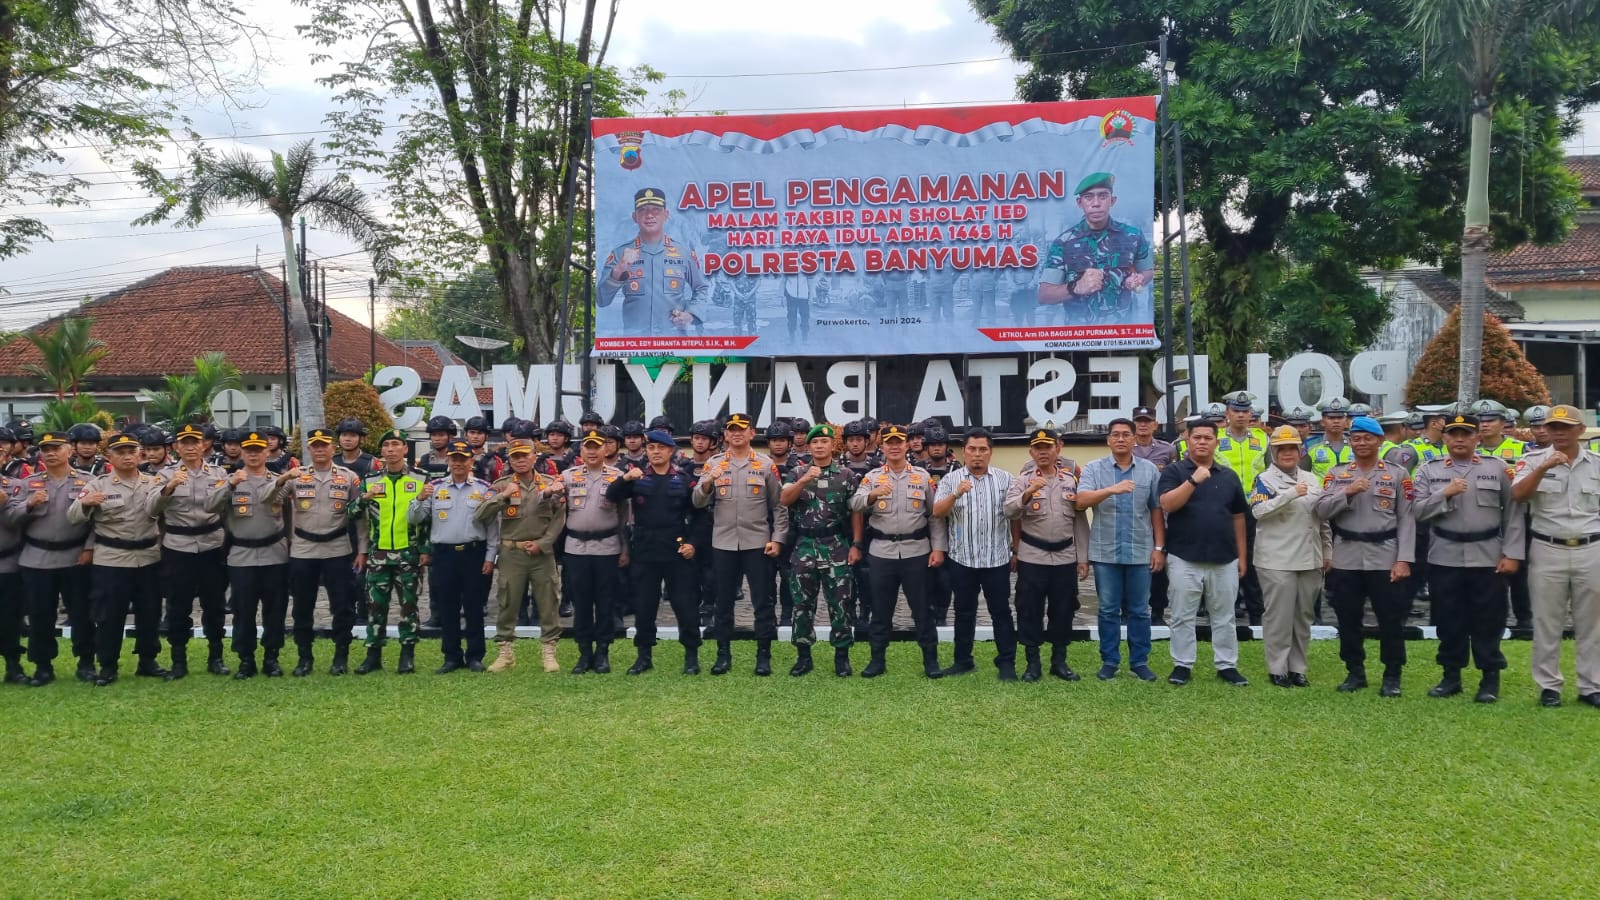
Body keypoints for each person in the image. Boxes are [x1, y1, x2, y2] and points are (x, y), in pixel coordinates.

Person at [1413, 414, 1522, 703]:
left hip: (1488, 555)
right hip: (1444, 555)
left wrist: (1512, 553)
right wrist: (1445, 494)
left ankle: (1489, 678)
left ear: (1477, 438)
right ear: (1445, 437)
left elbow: (1513, 514)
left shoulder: (1497, 468)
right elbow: (1418, 511)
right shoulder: (1428, 470)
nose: (1459, 439)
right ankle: (1451, 677)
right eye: (1453, 434)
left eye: (1466, 433)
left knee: (1489, 619)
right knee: (1449, 619)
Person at [1314, 415, 1415, 696]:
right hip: (1346, 554)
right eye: (1356, 438)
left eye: (1367, 437)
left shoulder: (1397, 474)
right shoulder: (1337, 474)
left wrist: (1404, 559)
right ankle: (1355, 671)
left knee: (1391, 618)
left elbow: (1407, 519)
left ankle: (1392, 675)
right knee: (1347, 617)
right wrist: (1346, 491)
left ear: (1380, 440)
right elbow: (1320, 511)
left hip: (1385, 554)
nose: (1361, 443)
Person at [1510, 404, 1600, 709]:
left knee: (1593, 623)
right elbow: (1518, 495)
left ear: (1579, 430)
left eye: (1565, 427)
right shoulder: (1533, 459)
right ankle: (1549, 686)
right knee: (1547, 621)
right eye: (1553, 428)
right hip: (1548, 547)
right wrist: (1542, 468)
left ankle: (1591, 686)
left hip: (1591, 547)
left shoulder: (1597, 463)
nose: (1558, 433)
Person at [65, 431, 166, 685]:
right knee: (109, 616)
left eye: (131, 451)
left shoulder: (153, 483)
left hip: (148, 557)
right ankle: (108, 666)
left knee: (150, 612)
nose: (127, 456)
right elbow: (73, 517)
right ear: (109, 456)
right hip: (112, 559)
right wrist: (86, 503)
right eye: (120, 452)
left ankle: (148, 661)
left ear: (139, 454)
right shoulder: (98, 484)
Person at [1157, 419, 1250, 687]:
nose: (1201, 442)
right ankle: (1182, 664)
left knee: (1224, 616)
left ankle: (1226, 665)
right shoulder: (1175, 472)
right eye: (1196, 437)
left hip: (1225, 558)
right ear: (1187, 439)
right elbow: (1168, 504)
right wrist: (1193, 480)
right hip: (1184, 556)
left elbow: (1238, 518)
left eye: (1207, 438)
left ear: (1216, 442)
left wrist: (1242, 557)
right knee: (1182, 615)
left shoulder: (1229, 475)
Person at [851, 424, 947, 679]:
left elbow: (935, 516)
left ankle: (930, 660)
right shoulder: (872, 477)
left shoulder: (923, 477)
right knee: (880, 610)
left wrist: (938, 548)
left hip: (916, 551)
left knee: (923, 610)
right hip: (882, 552)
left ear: (907, 446)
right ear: (881, 447)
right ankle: (877, 660)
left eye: (899, 442)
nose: (894, 446)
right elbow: (855, 504)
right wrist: (872, 496)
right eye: (889, 442)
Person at [693, 413, 782, 675]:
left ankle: (763, 656)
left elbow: (779, 506)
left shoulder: (765, 465)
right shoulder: (714, 463)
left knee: (762, 602)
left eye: (741, 429)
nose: (736, 434)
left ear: (752, 433)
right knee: (723, 602)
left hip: (757, 543)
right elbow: (697, 501)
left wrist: (777, 539)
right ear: (725, 435)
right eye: (731, 430)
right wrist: (708, 482)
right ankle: (723, 655)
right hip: (724, 543)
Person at [1077, 417, 1166, 682]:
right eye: (1115, 434)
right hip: (1106, 551)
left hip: (1140, 549)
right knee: (1107, 609)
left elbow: (1156, 510)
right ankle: (1110, 661)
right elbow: (1080, 501)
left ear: (1133, 438)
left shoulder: (1149, 470)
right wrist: (1112, 489)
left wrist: (1159, 547)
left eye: (1126, 434)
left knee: (1140, 609)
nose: (1120, 439)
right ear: (1108, 440)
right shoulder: (1094, 469)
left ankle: (1139, 661)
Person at [608, 429, 703, 674]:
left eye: (661, 448)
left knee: (685, 605)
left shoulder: (683, 479)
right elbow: (611, 496)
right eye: (651, 448)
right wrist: (626, 479)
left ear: (671, 451)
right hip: (645, 550)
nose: (656, 452)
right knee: (644, 606)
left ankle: (691, 657)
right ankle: (644, 657)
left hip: (676, 550)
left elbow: (700, 515)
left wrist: (693, 543)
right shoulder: (638, 477)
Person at [206, 430, 294, 678]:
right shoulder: (231, 479)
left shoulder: (282, 480)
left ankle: (271, 658)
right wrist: (230, 485)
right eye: (248, 451)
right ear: (241, 453)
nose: (253, 455)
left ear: (268, 451)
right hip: (241, 555)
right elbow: (210, 506)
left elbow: (290, 517)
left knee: (275, 610)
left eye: (258, 450)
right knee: (243, 611)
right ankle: (246, 659)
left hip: (275, 554)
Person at [1248, 425, 1330, 688]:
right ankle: (1277, 668)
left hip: (1310, 556)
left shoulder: (1313, 479)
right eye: (1281, 449)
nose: (1287, 453)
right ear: (1273, 451)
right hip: (1277, 559)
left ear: (1300, 450)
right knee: (1279, 617)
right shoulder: (1264, 479)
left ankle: (1298, 668)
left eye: (1292, 448)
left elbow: (1322, 519)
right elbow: (1258, 511)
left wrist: (1327, 550)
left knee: (1304, 616)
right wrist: (1290, 494)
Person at [10, 430, 95, 685]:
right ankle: (43, 666)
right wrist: (28, 504)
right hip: (37, 558)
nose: (51, 453)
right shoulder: (29, 483)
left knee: (82, 613)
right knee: (40, 615)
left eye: (56, 448)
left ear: (70, 450)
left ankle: (86, 662)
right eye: (46, 449)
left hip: (75, 556)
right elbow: (11, 519)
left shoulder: (87, 481)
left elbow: (98, 522)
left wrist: (89, 549)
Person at [777, 424, 862, 677]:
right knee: (802, 604)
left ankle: (842, 657)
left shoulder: (846, 475)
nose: (819, 446)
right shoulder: (797, 472)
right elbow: (784, 500)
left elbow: (856, 511)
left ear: (832, 446)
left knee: (841, 604)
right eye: (815, 442)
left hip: (836, 545)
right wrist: (804, 479)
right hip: (804, 546)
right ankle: (804, 656)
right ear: (809, 446)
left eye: (824, 442)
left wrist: (857, 544)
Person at [932, 427, 1017, 680]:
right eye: (972, 449)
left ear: (990, 452)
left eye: (983, 450)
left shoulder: (1005, 479)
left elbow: (1015, 517)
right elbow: (938, 512)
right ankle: (963, 660)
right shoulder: (950, 479)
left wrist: (1016, 549)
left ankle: (1006, 663)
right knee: (963, 611)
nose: (977, 455)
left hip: (997, 559)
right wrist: (957, 493)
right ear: (963, 452)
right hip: (962, 558)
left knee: (1001, 612)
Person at [281, 428, 366, 676]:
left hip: (337, 548)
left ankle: (341, 657)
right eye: (315, 445)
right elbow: (274, 504)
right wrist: (282, 478)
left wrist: (362, 550)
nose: (319, 449)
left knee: (342, 606)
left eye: (324, 445)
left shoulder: (349, 478)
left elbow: (359, 517)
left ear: (333, 448)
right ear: (309, 449)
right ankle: (304, 658)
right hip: (303, 549)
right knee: (302, 606)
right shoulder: (296, 477)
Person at [477, 439, 565, 673]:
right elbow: (480, 515)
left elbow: (559, 518)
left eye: (525, 455)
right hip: (511, 553)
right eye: (515, 456)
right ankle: (505, 653)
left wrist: (544, 544)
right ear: (509, 460)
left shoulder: (549, 484)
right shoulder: (501, 485)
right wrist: (502, 497)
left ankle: (549, 651)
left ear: (535, 457)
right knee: (507, 602)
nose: (521, 460)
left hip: (541, 553)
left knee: (548, 603)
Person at [349, 429, 432, 675]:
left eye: (396, 444)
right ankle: (373, 654)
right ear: (381, 451)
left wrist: (425, 549)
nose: (391, 449)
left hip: (409, 553)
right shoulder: (371, 479)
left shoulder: (421, 478)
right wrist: (364, 498)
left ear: (405, 449)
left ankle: (407, 655)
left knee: (409, 606)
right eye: (386, 445)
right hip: (379, 554)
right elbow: (352, 515)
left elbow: (428, 519)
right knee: (375, 606)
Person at [410, 439, 497, 674]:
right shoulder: (434, 488)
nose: (458, 463)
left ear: (472, 461)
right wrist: (418, 498)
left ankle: (475, 656)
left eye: (463, 459)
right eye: (454, 459)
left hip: (474, 554)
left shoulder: (483, 489)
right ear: (448, 461)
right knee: (447, 608)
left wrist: (490, 557)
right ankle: (451, 656)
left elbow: (492, 528)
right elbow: (414, 519)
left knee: (474, 608)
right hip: (444, 555)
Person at [152, 423, 231, 678]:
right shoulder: (165, 474)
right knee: (178, 605)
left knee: (214, 604)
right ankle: (178, 660)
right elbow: (151, 509)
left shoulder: (219, 473)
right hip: (179, 546)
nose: (190, 447)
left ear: (203, 445)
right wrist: (169, 488)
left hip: (211, 545)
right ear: (176, 447)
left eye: (194, 442)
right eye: (184, 443)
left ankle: (216, 657)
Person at [1036, 172, 1154, 324]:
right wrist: (1076, 287)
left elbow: (1148, 270)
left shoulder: (1133, 236)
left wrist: (1140, 279)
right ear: (1080, 203)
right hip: (1078, 337)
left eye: (1103, 196)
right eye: (1088, 197)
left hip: (1124, 334)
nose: (1096, 203)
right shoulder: (1063, 242)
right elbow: (1045, 295)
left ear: (1112, 200)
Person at [556, 428, 628, 674]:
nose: (593, 451)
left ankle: (602, 653)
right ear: (581, 450)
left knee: (606, 603)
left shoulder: (617, 476)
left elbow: (624, 516)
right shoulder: (567, 476)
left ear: (605, 449)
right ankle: (584, 653)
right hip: (576, 549)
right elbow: (551, 504)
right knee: (582, 602)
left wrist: (624, 548)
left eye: (597, 446)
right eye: (588, 446)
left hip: (607, 548)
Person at [598, 187, 707, 335]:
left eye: (656, 210)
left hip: (674, 342)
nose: (649, 215)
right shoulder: (619, 254)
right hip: (634, 345)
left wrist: (690, 314)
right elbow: (602, 300)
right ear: (634, 216)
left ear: (665, 215)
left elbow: (701, 288)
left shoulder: (684, 253)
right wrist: (618, 271)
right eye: (643, 210)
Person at [0, 456, 25, 684]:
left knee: (10, 617)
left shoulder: (16, 485)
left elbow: (17, 521)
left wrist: (4, 501)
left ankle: (13, 665)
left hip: (7, 562)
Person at [1309, 397, 1354, 476]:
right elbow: (1302, 474)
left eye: (1340, 417)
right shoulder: (1310, 445)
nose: (1336, 421)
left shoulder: (1355, 445)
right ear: (1322, 422)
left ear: (1346, 421)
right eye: (1331, 418)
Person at [783, 272, 814, 341]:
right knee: (791, 317)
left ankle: (805, 338)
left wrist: (811, 296)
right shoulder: (788, 265)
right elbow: (784, 281)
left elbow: (810, 283)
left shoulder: (807, 266)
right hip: (791, 296)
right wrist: (783, 296)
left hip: (804, 296)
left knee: (805, 318)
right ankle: (791, 338)